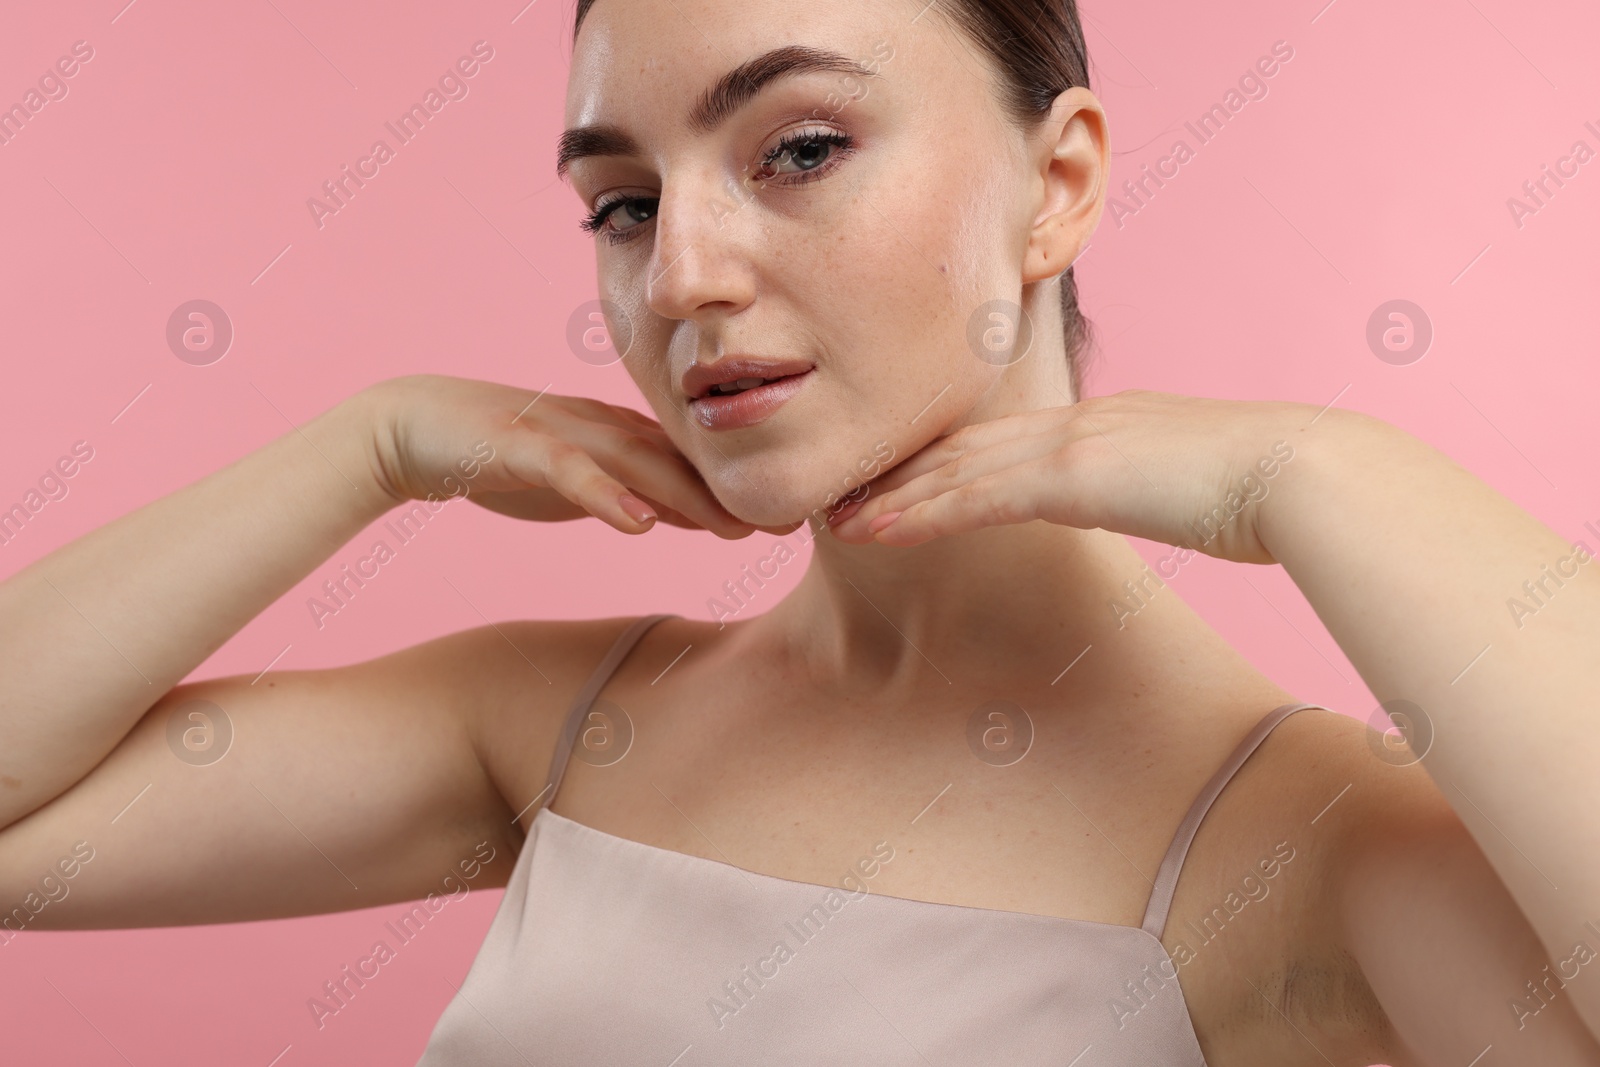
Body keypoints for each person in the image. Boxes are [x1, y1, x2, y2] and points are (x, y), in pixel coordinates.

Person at [3, 0, 1597, 1063]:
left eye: (802, 149)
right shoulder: (562, 722)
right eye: (623, 202)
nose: (678, 275)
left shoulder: (1309, 845)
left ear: (1061, 183)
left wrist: (1325, 474)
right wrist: (366, 446)